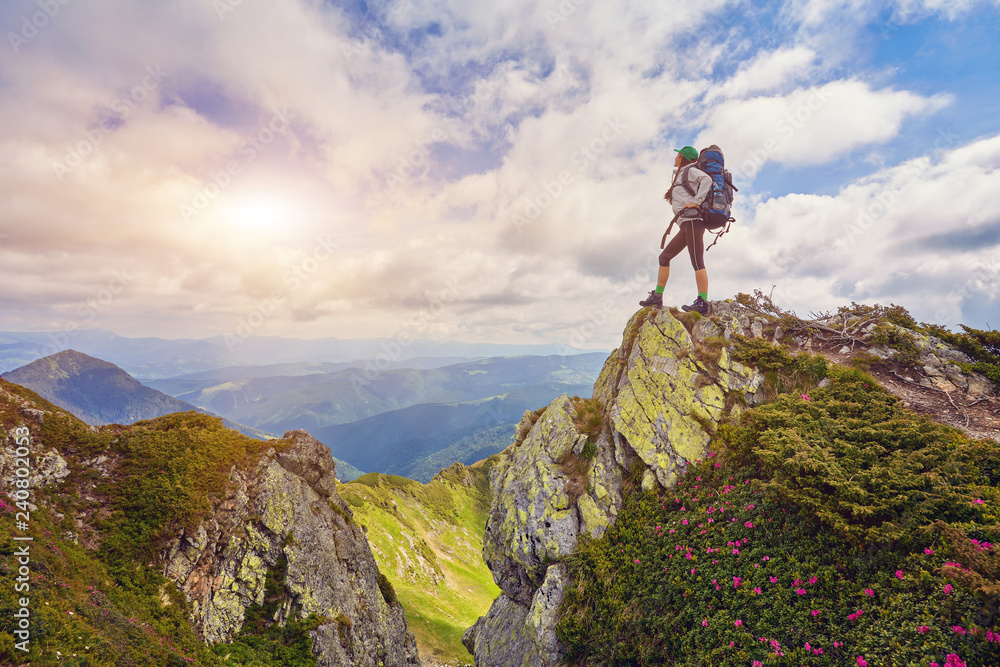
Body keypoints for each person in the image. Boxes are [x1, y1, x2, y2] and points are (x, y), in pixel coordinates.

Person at [639, 145, 717, 315]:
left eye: (677, 155)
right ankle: (657, 297)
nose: (675, 158)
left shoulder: (691, 170)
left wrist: (697, 201)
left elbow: (707, 180)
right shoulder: (682, 174)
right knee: (664, 257)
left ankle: (703, 302)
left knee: (697, 262)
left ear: (682, 157)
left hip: (693, 222)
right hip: (685, 224)